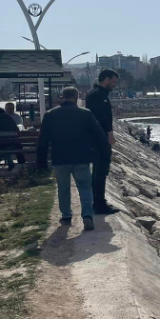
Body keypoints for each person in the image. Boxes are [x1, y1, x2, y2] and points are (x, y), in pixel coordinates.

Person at [37, 87, 107, 231]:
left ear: (62, 97)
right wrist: (99, 152)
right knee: (85, 187)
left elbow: (43, 140)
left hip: (60, 158)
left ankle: (66, 216)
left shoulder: (50, 115)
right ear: (76, 97)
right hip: (82, 157)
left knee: (63, 188)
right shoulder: (85, 114)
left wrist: (41, 161)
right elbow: (99, 135)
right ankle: (87, 214)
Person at [85, 69, 119, 215]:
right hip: (99, 139)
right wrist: (110, 134)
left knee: (99, 171)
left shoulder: (97, 94)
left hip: (98, 138)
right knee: (101, 170)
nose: (114, 85)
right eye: (113, 82)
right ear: (105, 79)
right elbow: (102, 118)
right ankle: (99, 204)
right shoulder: (98, 95)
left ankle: (98, 201)